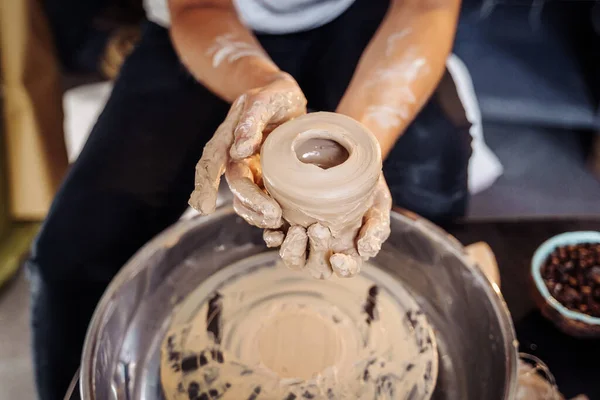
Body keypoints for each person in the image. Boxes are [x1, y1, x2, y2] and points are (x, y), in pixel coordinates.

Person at [27, 0, 472, 398]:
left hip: (363, 16)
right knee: (72, 255)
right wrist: (260, 85)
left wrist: (358, 151)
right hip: (216, 28)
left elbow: (426, 8)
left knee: (428, 189)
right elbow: (198, 8)